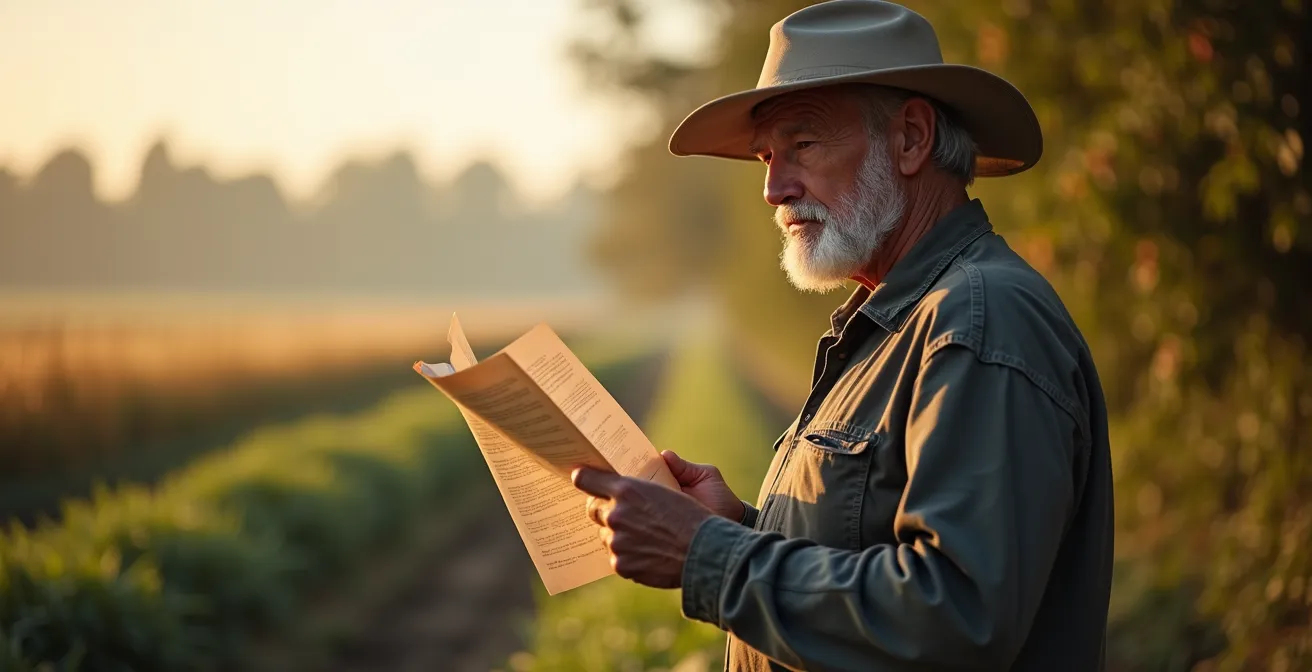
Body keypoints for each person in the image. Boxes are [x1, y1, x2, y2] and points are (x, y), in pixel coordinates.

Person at [570, 1, 1115, 670]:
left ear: (912, 139)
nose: (773, 188)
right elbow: (870, 556)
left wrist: (706, 555)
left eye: (802, 145)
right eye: (767, 156)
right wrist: (735, 527)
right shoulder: (903, 319)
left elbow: (959, 617)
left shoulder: (977, 320)